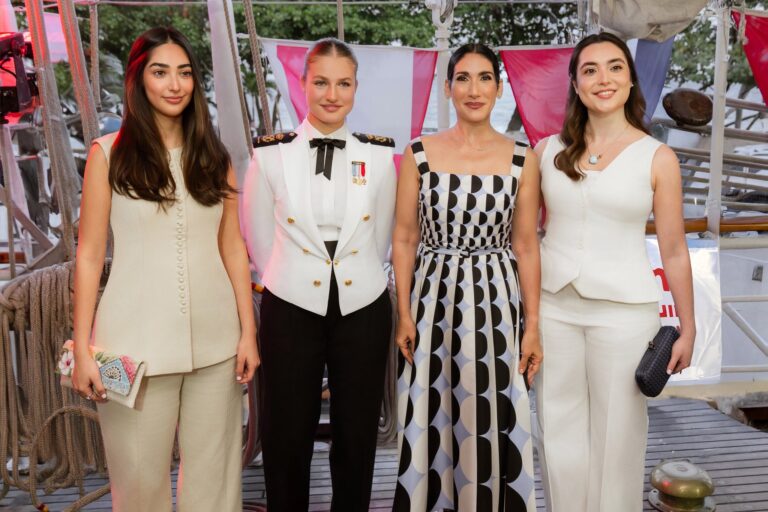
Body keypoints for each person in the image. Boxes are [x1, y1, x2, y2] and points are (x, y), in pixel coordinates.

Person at [71, 27, 259, 512]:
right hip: (128, 348)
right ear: (139, 80)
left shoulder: (214, 159)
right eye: (160, 72)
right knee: (137, 489)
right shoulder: (106, 154)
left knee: (216, 488)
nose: (175, 84)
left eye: (184, 73)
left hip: (217, 346)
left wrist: (248, 334)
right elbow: (89, 255)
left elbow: (234, 248)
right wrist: (86, 349)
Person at [534, 32, 695, 512]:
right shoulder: (545, 151)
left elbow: (674, 248)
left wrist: (688, 327)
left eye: (614, 67)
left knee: (618, 440)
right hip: (553, 309)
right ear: (576, 86)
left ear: (629, 81)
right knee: (557, 437)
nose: (603, 78)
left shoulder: (657, 157)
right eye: (590, 70)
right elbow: (524, 241)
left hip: (626, 316)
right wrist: (528, 319)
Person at [240, 37, 397, 511]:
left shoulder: (381, 157)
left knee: (356, 430)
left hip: (363, 301)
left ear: (355, 88)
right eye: (322, 82)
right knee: (287, 430)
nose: (332, 94)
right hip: (290, 303)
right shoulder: (269, 155)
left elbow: (383, 237)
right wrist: (291, 278)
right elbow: (259, 239)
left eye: (344, 83)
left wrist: (352, 274)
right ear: (303, 83)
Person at [392, 43, 542, 511]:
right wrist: (402, 312)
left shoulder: (523, 157)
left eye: (483, 79)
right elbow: (403, 237)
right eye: (463, 78)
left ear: (499, 89)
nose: (473, 89)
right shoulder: (419, 152)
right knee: (428, 411)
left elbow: (525, 245)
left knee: (490, 412)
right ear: (448, 87)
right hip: (431, 296)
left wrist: (532, 325)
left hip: (496, 301)